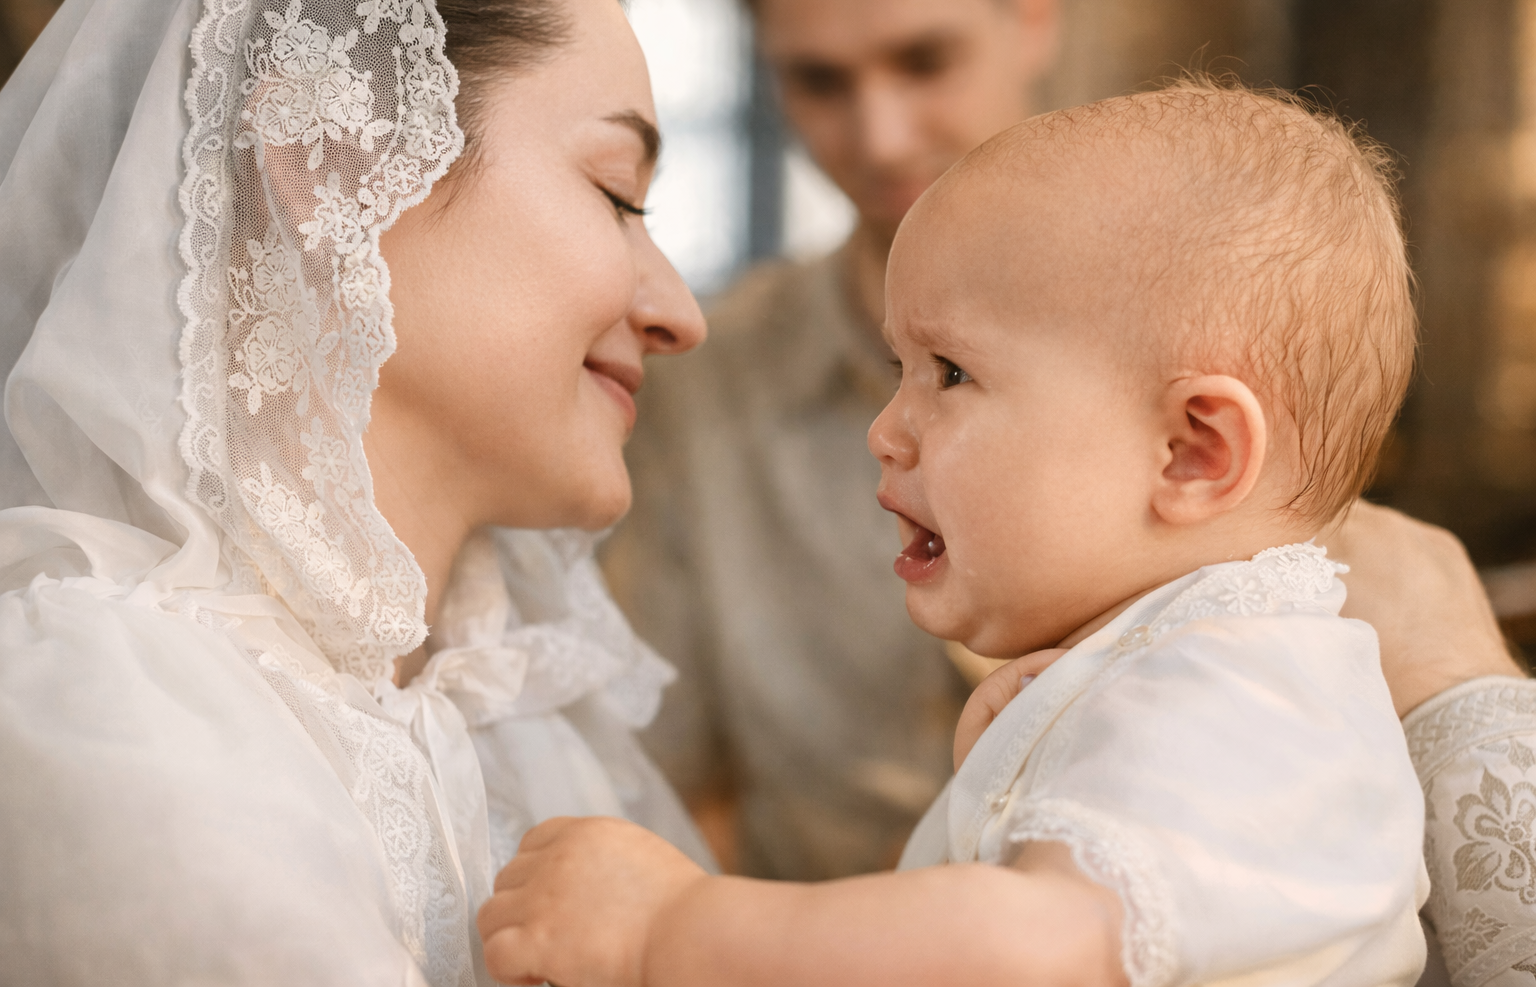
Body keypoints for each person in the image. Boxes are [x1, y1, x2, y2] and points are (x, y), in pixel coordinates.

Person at [479, 82, 1434, 987]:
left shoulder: (1238, 692)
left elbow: (1029, 954)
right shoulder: (1186, 676)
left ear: (1191, 452)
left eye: (950, 374)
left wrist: (670, 928)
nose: (885, 430)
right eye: (901, 367)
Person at [0, 0, 711, 981]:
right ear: (331, 152)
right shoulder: (105, 719)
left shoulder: (521, 720)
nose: (681, 311)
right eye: (617, 194)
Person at [603, 0, 1064, 882]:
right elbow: (666, 798)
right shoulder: (700, 385)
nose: (881, 137)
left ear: (1033, 11)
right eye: (818, 81)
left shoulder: (1210, 318)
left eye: (924, 60)